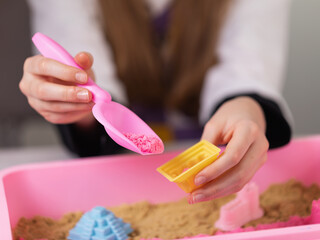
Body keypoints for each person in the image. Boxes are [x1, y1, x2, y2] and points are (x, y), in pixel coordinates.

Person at [20, 0, 292, 203]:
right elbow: (90, 86)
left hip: (215, 152)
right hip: (115, 168)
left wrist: (246, 107)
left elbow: (248, 66)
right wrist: (76, 105)